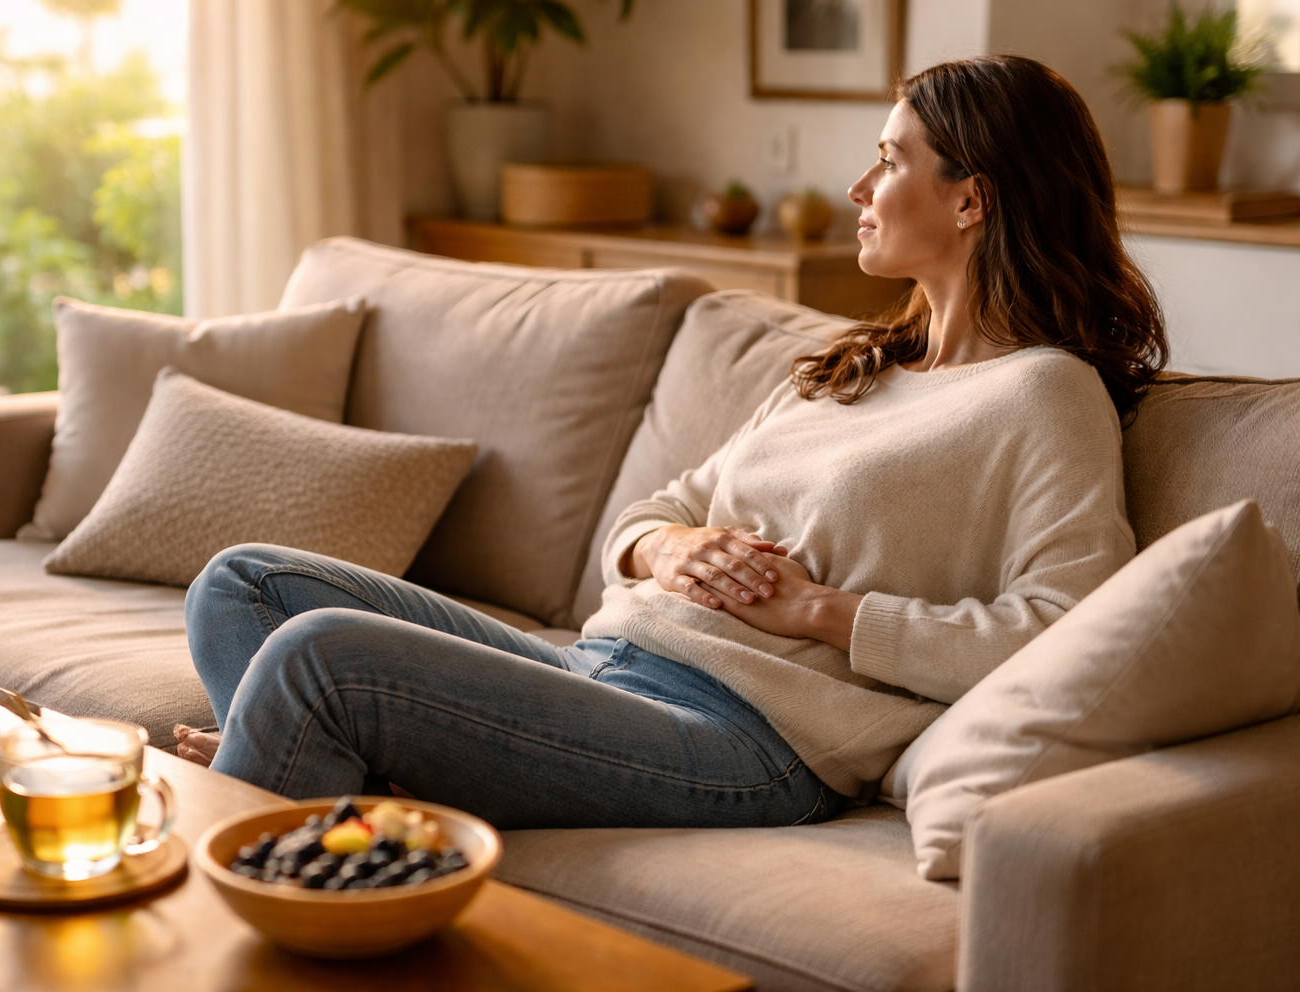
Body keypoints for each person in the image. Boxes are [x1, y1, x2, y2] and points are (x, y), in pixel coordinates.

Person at [179, 55, 1168, 828]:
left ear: (972, 199)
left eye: (891, 158)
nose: (861, 185)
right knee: (242, 584)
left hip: (748, 737)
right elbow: (656, 512)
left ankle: (269, 806)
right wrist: (673, 547)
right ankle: (326, 783)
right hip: (607, 660)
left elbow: (1061, 634)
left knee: (317, 659)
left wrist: (823, 611)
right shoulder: (853, 366)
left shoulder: (1047, 395)